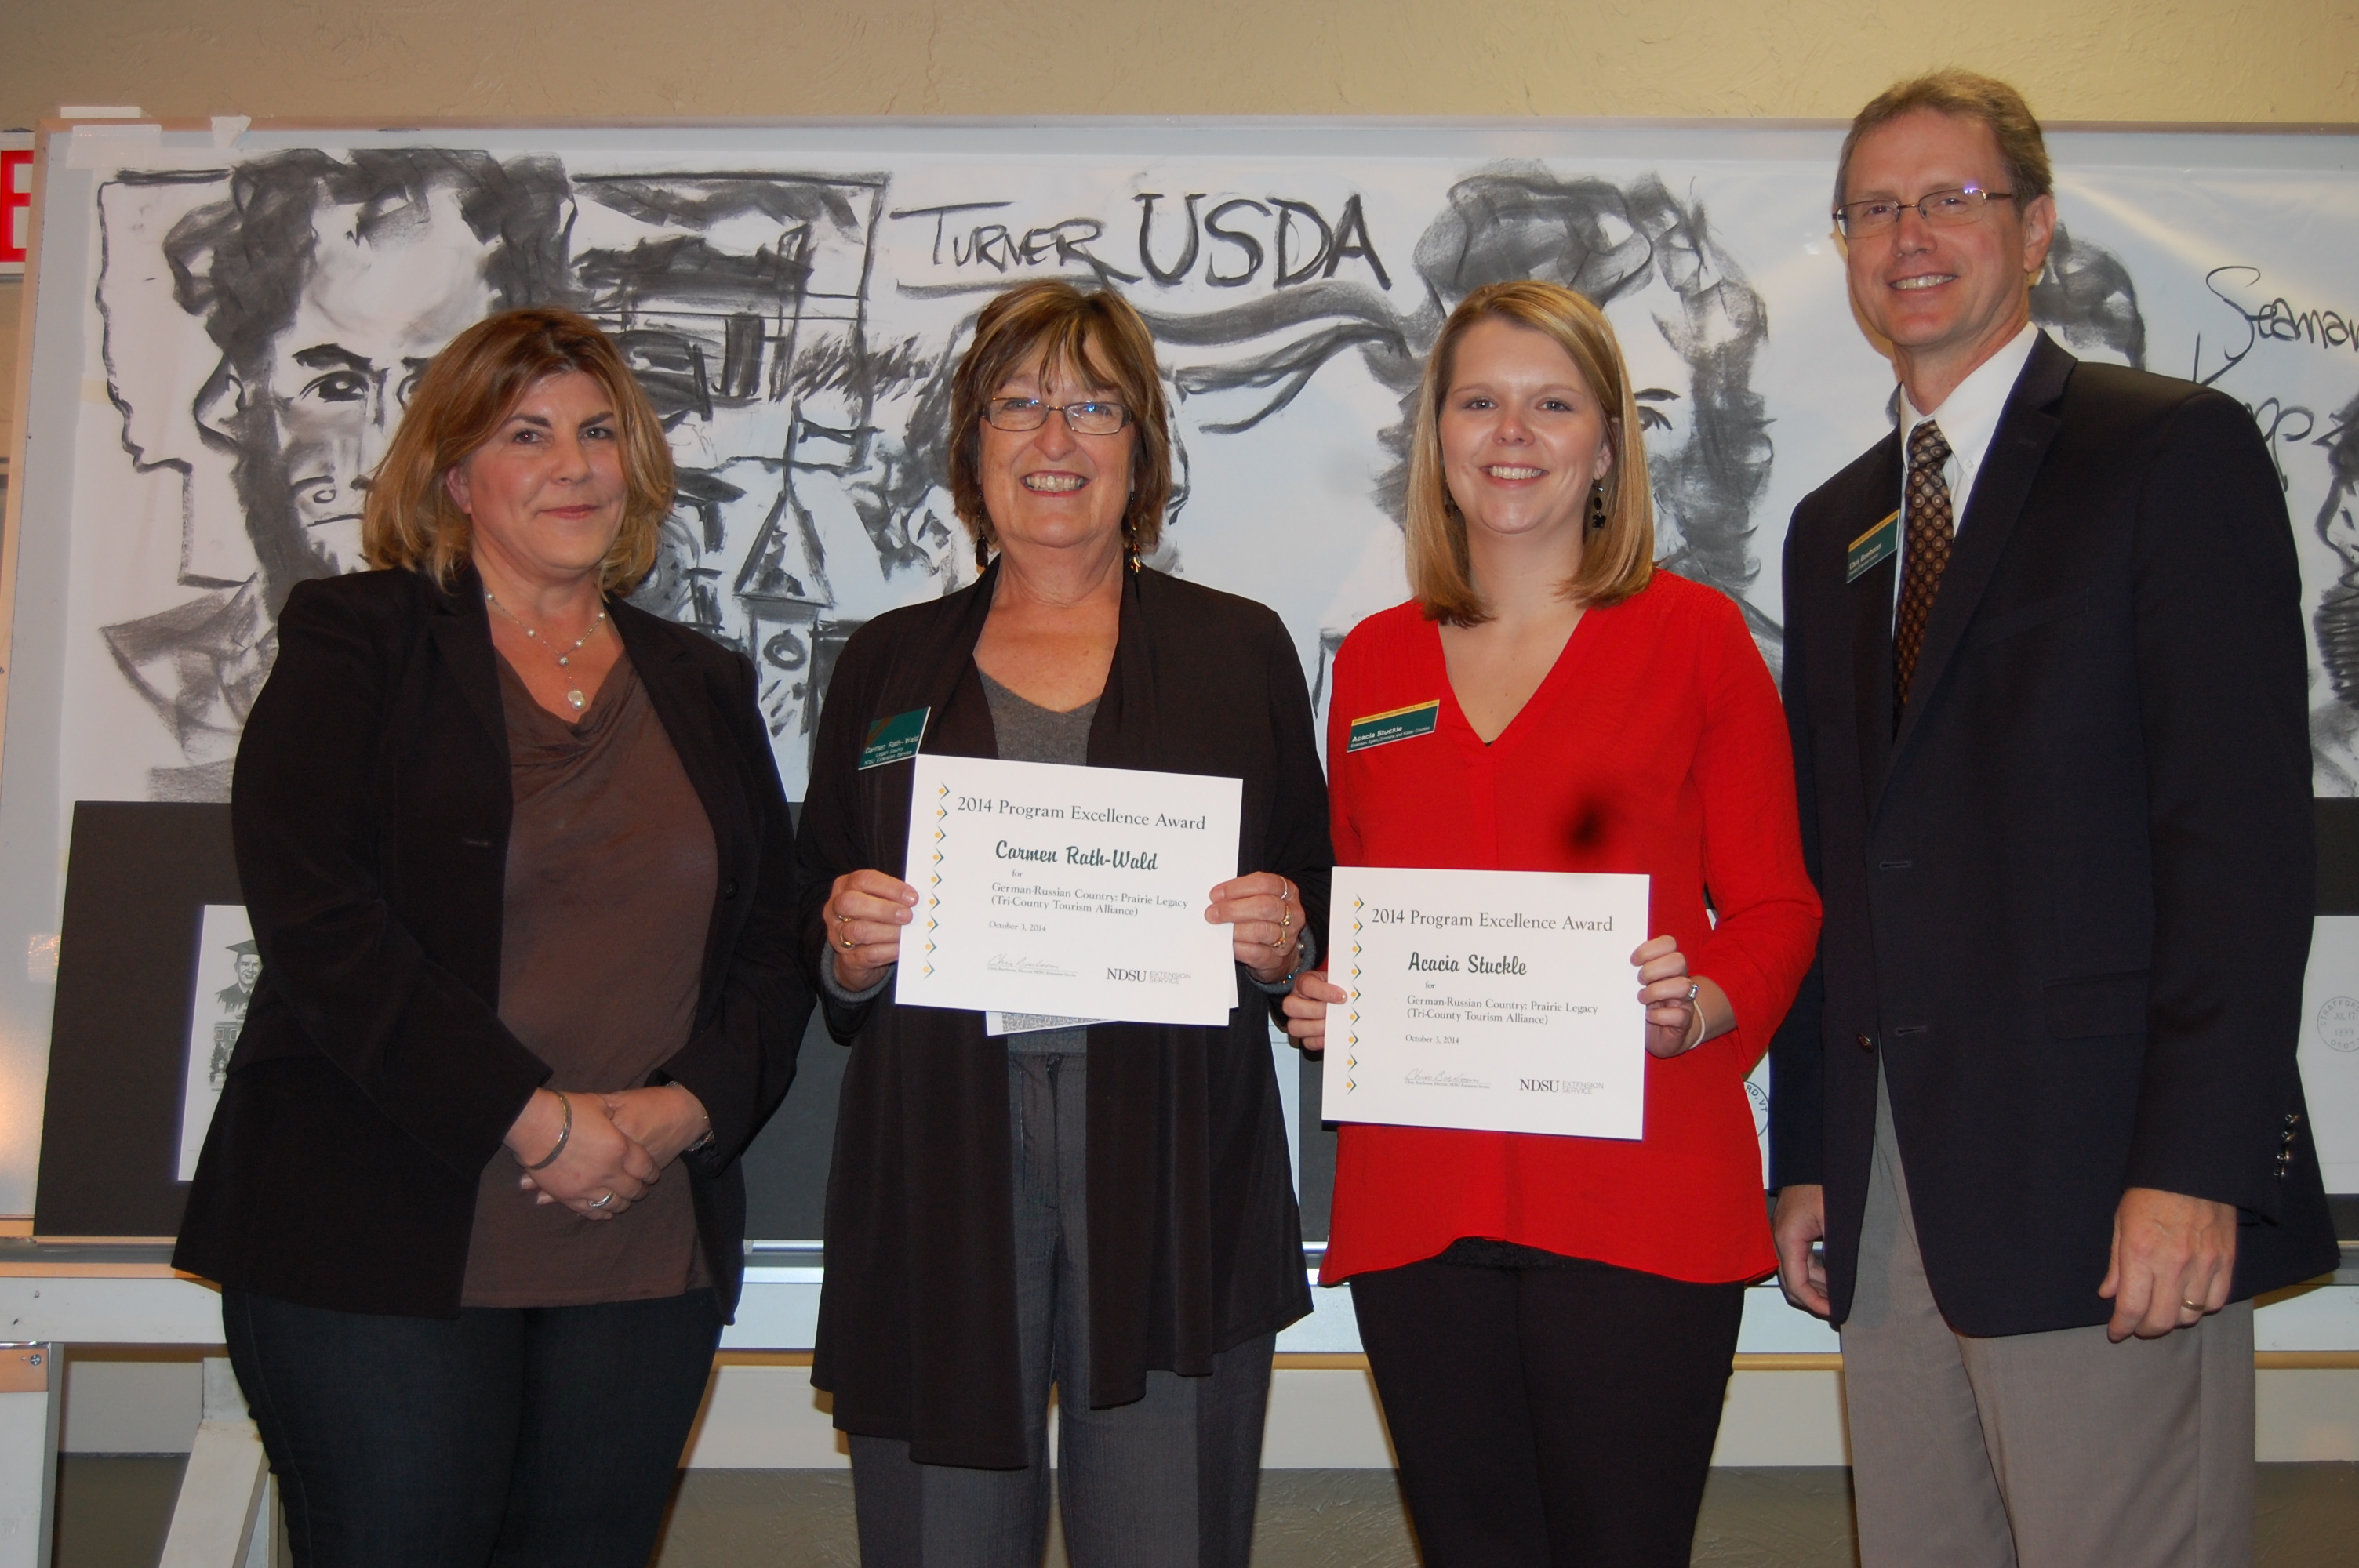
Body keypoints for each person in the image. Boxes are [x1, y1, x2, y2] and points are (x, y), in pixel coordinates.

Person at [1768, 71, 2340, 1568]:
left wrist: (2197, 1165)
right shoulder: (1837, 524)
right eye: (1875, 208)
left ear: (2038, 233)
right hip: (1890, 1215)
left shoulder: (2168, 453)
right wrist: (1813, 1155)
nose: (1910, 235)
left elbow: (2237, 845)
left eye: (1951, 197)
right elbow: (1841, 858)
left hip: (2108, 1190)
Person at [173, 307, 812, 1568]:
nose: (573, 465)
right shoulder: (358, 642)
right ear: (456, 474)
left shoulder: (702, 681)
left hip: (639, 1237)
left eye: (597, 433)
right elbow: (321, 925)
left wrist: (682, 1112)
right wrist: (541, 1121)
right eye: (528, 434)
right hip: (380, 1231)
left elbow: (773, 943)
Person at [1283, 278, 1822, 1565]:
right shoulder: (1374, 661)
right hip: (1423, 1207)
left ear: (1606, 444)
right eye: (1479, 401)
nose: (1511, 434)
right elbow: (1359, 903)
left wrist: (1706, 999)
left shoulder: (1698, 639)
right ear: (1438, 437)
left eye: (1552, 404)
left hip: (1637, 1200)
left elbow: (1777, 906)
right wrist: (1324, 997)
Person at [796, 278, 1330, 1568]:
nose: (1054, 439)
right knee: (939, 1540)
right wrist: (847, 944)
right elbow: (813, 924)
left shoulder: (1238, 650)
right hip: (939, 1155)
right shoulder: (882, 660)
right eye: (1018, 405)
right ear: (970, 446)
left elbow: (1312, 916)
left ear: (1140, 447)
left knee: (1167, 1535)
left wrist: (1285, 939)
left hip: (1175, 1159)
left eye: (1093, 406)